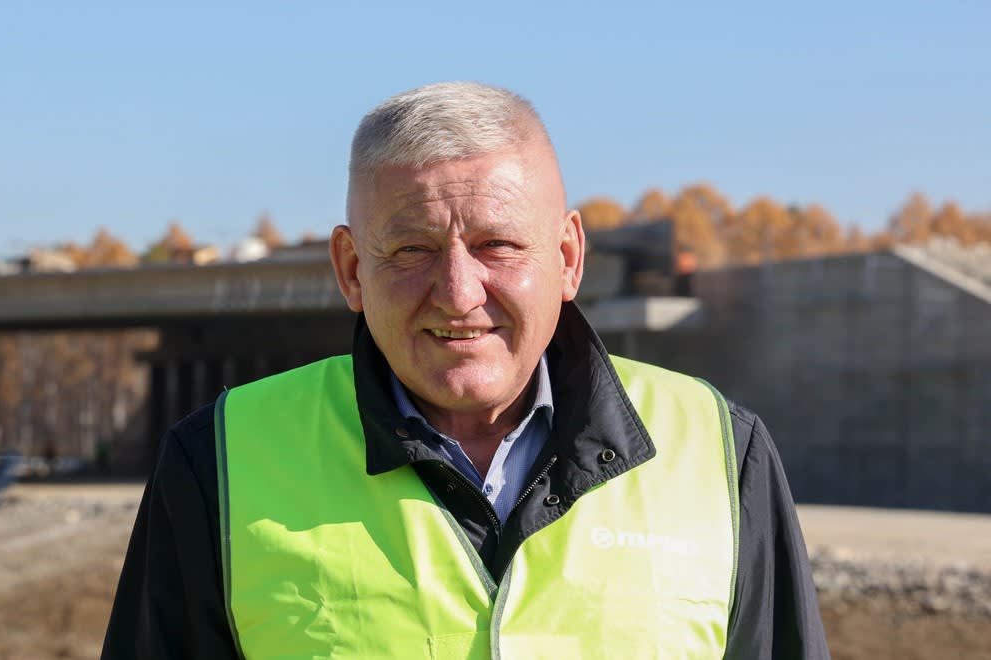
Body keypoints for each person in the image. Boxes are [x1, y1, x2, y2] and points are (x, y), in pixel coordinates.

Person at [103, 82, 829, 659]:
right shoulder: (218, 462)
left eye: (498, 245)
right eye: (412, 250)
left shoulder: (720, 454)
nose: (457, 292)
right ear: (351, 270)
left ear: (567, 258)